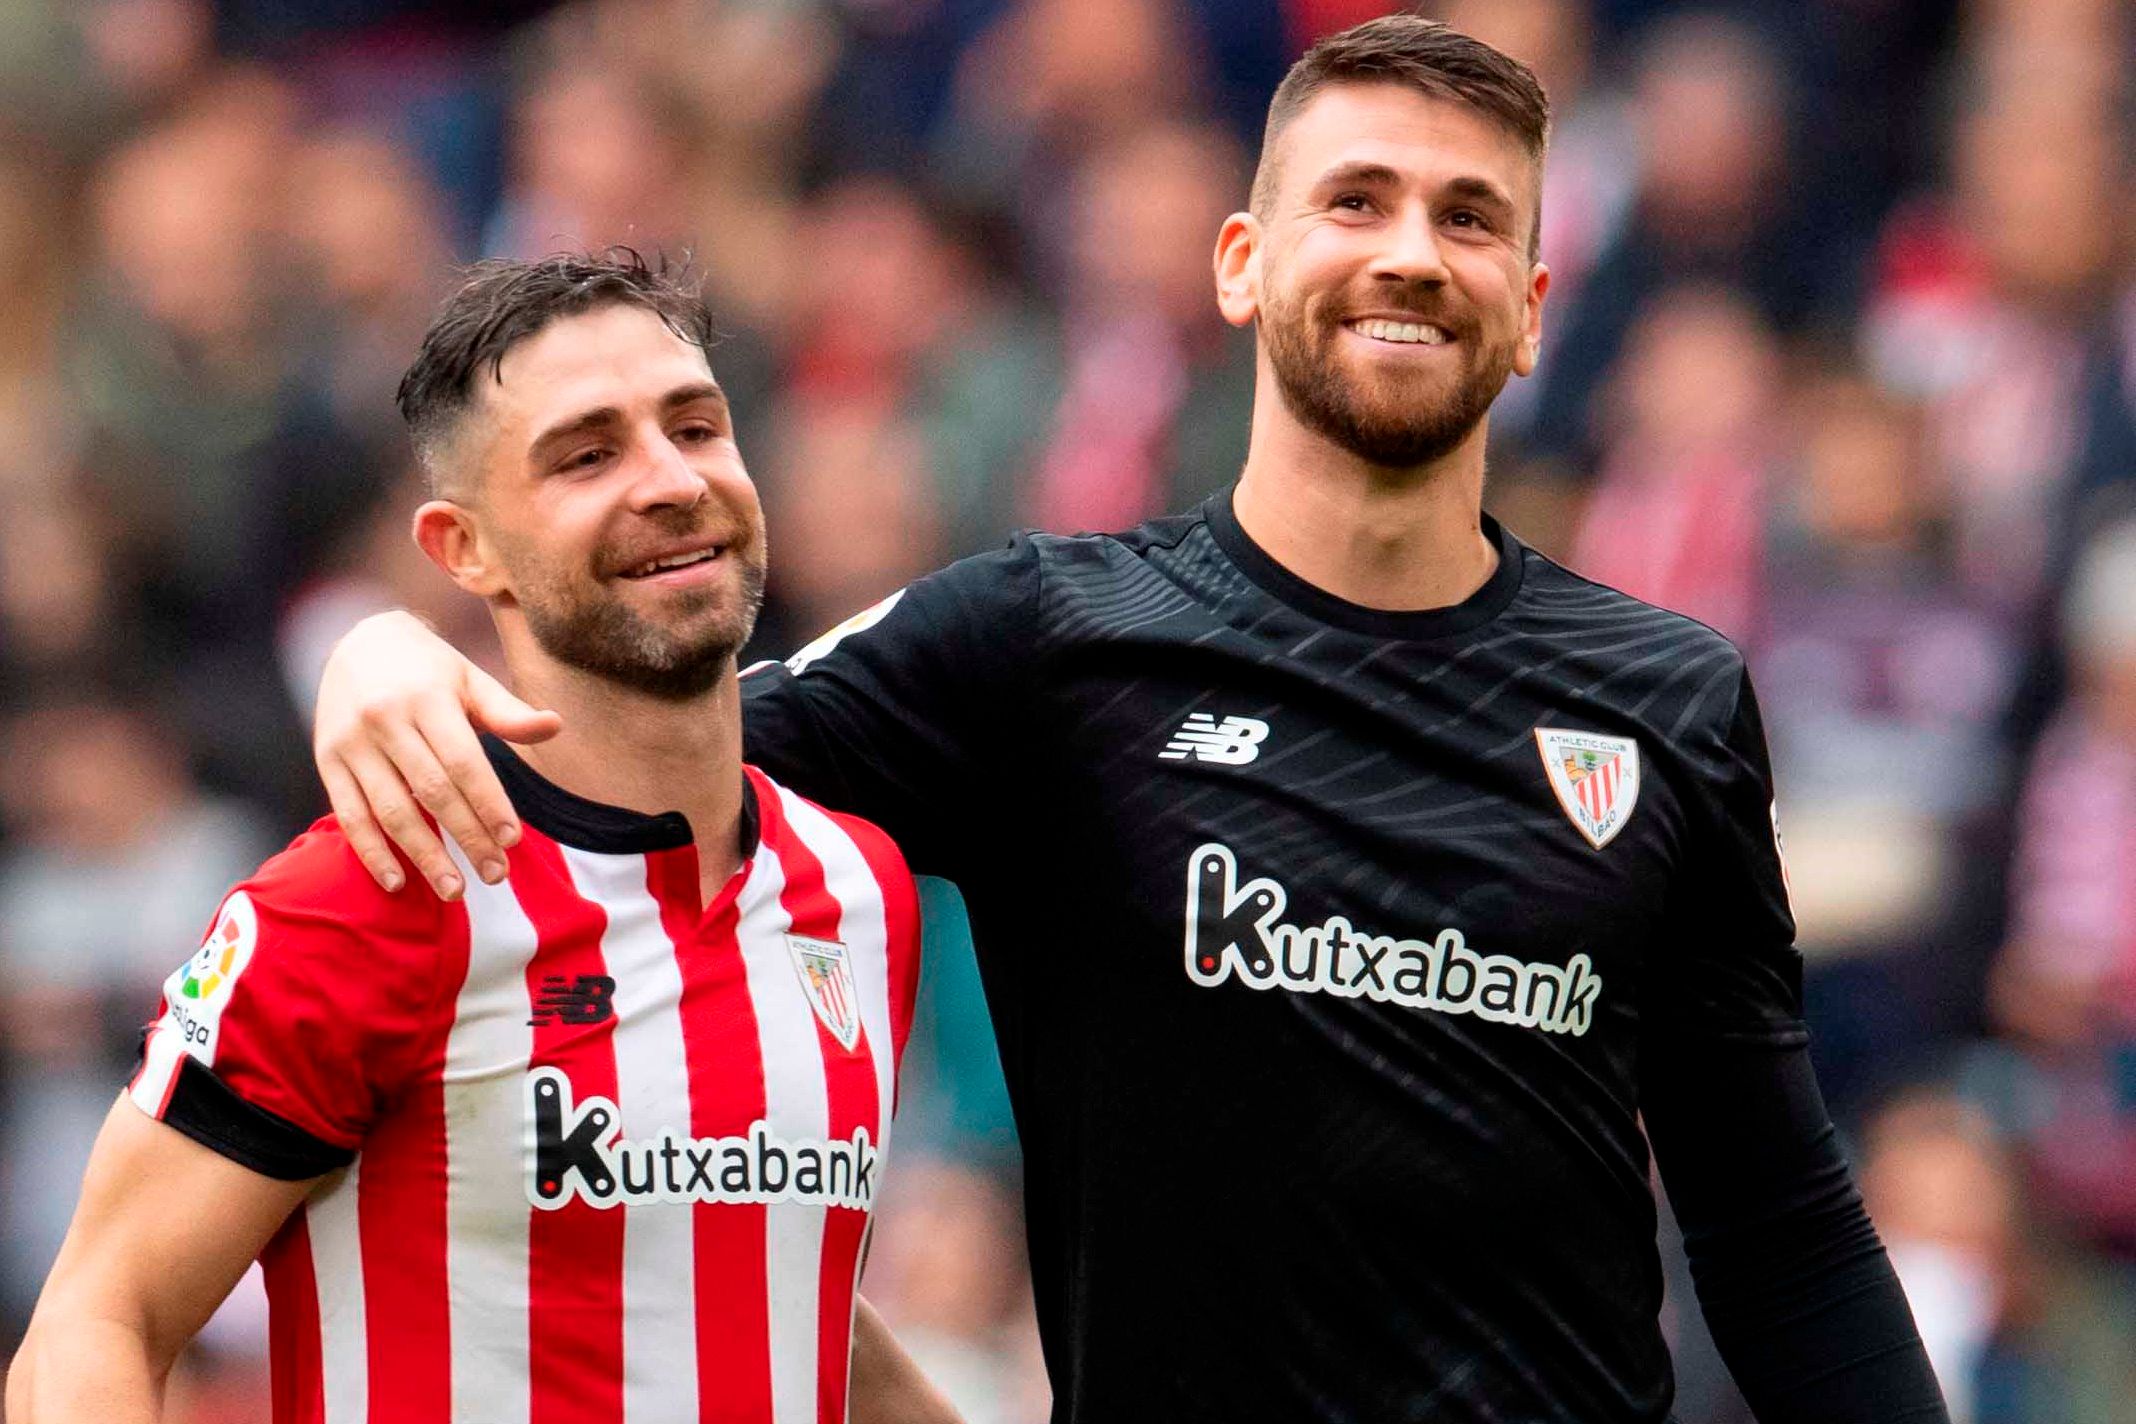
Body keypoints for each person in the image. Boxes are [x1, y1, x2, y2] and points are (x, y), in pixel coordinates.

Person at [310, 19, 1950, 1424]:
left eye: (1467, 218)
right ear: (1242, 262)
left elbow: (1776, 1222)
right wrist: (393, 654)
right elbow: (630, 774)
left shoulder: (1663, 692)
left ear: (1527, 307)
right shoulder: (1041, 637)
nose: (1406, 252)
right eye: (1354, 199)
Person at [6, 254, 960, 1424]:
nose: (668, 480)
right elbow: (96, 1318)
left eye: (696, 426)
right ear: (465, 548)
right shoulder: (376, 888)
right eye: (587, 453)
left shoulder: (858, 885)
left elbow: (773, 1302)